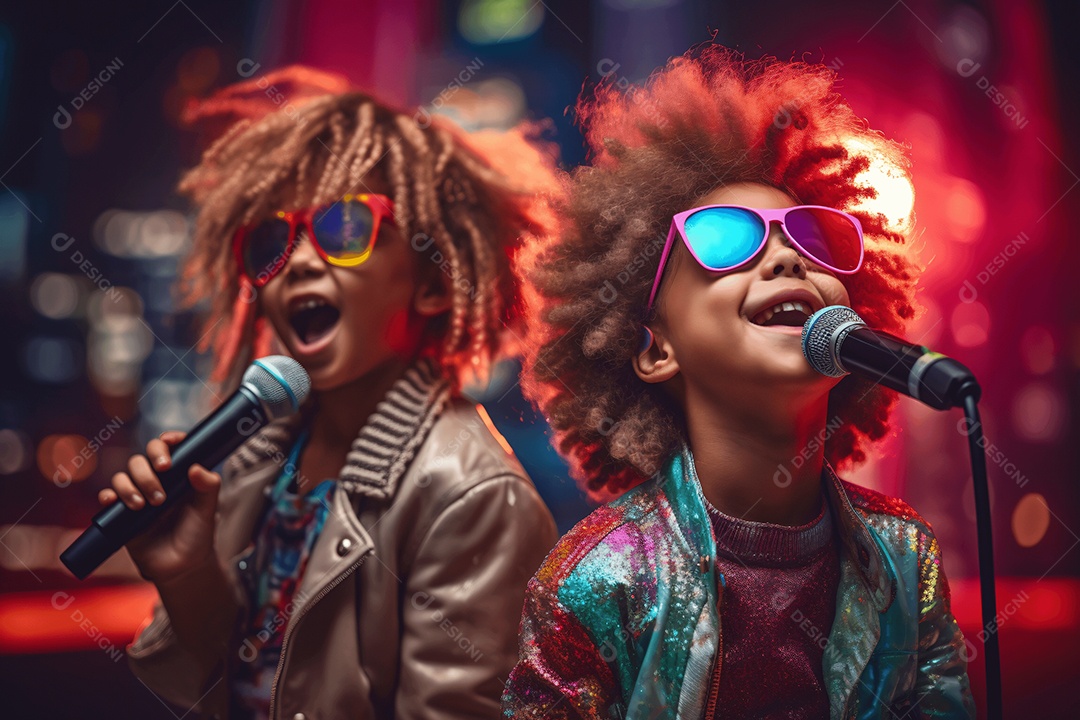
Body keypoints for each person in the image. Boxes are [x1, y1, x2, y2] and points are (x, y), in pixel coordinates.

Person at [503, 47, 975, 718]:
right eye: (726, 239)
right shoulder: (595, 584)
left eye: (810, 236)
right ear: (657, 348)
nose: (785, 255)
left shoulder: (903, 560)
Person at [98, 65, 559, 719]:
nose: (302, 261)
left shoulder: (474, 497)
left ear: (432, 283)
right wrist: (185, 572)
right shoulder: (254, 456)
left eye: (344, 230)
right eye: (271, 241)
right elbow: (228, 679)